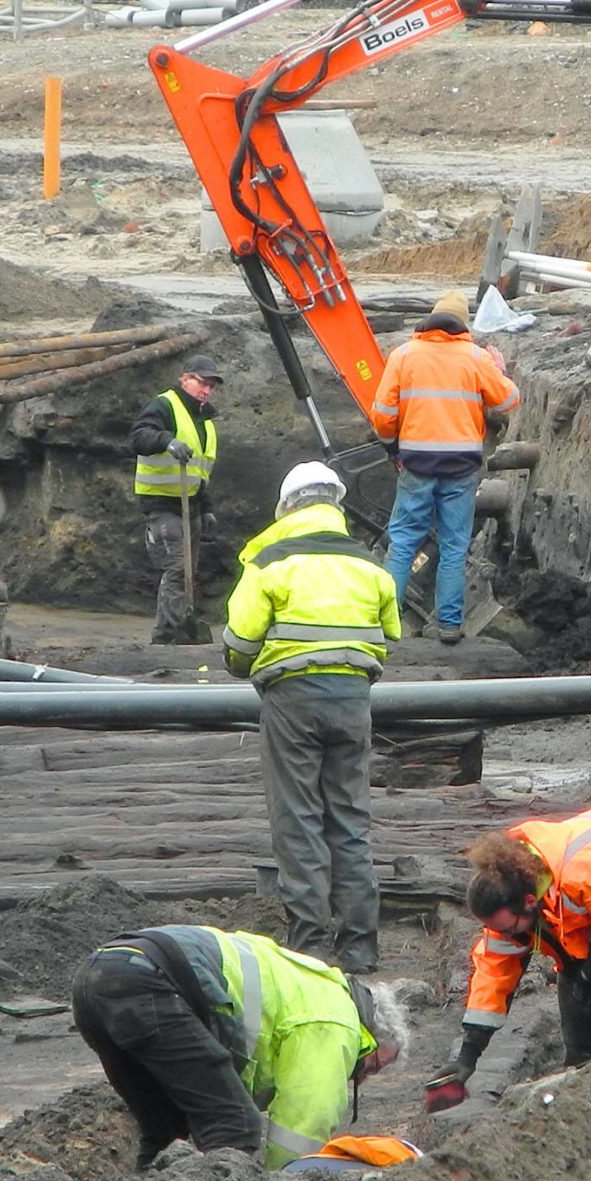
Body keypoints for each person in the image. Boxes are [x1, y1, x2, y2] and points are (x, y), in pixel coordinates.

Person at [222, 461, 400, 973]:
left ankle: (309, 944)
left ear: (287, 508)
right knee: (349, 817)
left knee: (298, 817)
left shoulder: (268, 563)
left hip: (291, 700)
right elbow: (390, 634)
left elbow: (238, 645)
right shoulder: (370, 566)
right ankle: (361, 946)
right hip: (352, 700)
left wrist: (251, 664)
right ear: (336, 506)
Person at [422, 801, 591, 1109]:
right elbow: (494, 976)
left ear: (528, 902)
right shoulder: (513, 890)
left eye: (508, 928)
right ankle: (582, 1072)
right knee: (575, 979)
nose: (507, 937)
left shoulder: (582, 871)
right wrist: (467, 1055)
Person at [70, 924, 407, 1169]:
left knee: (165, 1131)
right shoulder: (336, 1019)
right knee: (235, 1125)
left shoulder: (306, 981)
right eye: (374, 1064)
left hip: (96, 979)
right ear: (370, 1032)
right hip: (151, 982)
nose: (362, 1077)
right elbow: (305, 1121)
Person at [371, 290, 518, 647]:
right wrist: (499, 371)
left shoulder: (403, 356)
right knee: (454, 545)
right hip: (461, 466)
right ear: (462, 324)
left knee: (404, 541)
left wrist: (395, 447)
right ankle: (449, 625)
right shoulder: (476, 357)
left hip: (417, 463)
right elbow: (509, 400)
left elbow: (382, 417)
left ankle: (385, 626)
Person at [129, 357, 225, 645]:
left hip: (190, 504)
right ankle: (172, 634)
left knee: (187, 571)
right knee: (176, 567)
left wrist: (206, 507)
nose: (206, 390)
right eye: (201, 382)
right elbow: (139, 436)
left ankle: (167, 630)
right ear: (184, 379)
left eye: (211, 386)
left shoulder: (204, 421)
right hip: (161, 505)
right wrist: (166, 442)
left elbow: (200, 471)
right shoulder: (165, 405)